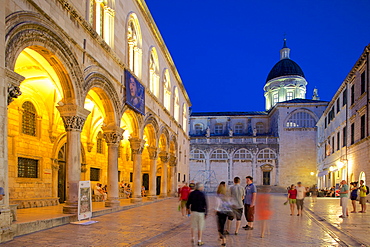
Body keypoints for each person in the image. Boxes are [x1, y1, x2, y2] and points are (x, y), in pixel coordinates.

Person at [215, 182, 230, 246]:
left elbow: (217, 205)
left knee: (220, 226)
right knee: (223, 224)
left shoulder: (218, 197)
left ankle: (223, 239)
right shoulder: (227, 196)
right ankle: (222, 236)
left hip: (220, 212)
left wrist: (215, 211)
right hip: (226, 212)